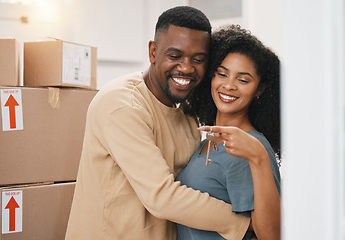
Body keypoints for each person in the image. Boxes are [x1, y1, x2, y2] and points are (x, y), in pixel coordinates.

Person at [65, 7, 250, 240]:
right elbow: (162, 197)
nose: (186, 67)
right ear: (153, 52)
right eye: (174, 56)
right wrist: (245, 224)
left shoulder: (186, 112)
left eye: (198, 59)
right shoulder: (122, 105)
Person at [176, 24, 281, 240]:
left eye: (243, 80)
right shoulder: (208, 140)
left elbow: (272, 235)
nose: (229, 85)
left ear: (259, 89)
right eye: (222, 74)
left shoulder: (248, 148)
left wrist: (257, 155)